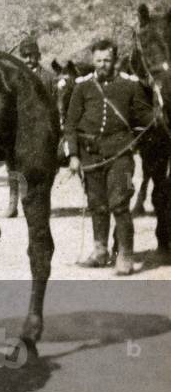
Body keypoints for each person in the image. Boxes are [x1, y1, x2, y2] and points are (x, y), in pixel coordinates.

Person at [65, 38, 153, 275]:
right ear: (93, 61)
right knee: (97, 205)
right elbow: (71, 124)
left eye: (107, 60)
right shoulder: (82, 87)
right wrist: (73, 155)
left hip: (120, 156)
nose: (103, 65)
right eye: (98, 60)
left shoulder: (130, 86)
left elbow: (146, 118)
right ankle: (100, 251)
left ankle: (125, 256)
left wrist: (158, 100)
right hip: (90, 156)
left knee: (120, 205)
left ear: (115, 60)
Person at [6, 36, 59, 217]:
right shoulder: (12, 77)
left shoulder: (50, 78)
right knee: (12, 165)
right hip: (18, 128)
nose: (29, 59)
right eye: (25, 56)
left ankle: (42, 203)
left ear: (39, 56)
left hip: (42, 129)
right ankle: (13, 201)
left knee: (43, 167)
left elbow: (57, 104)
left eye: (32, 55)